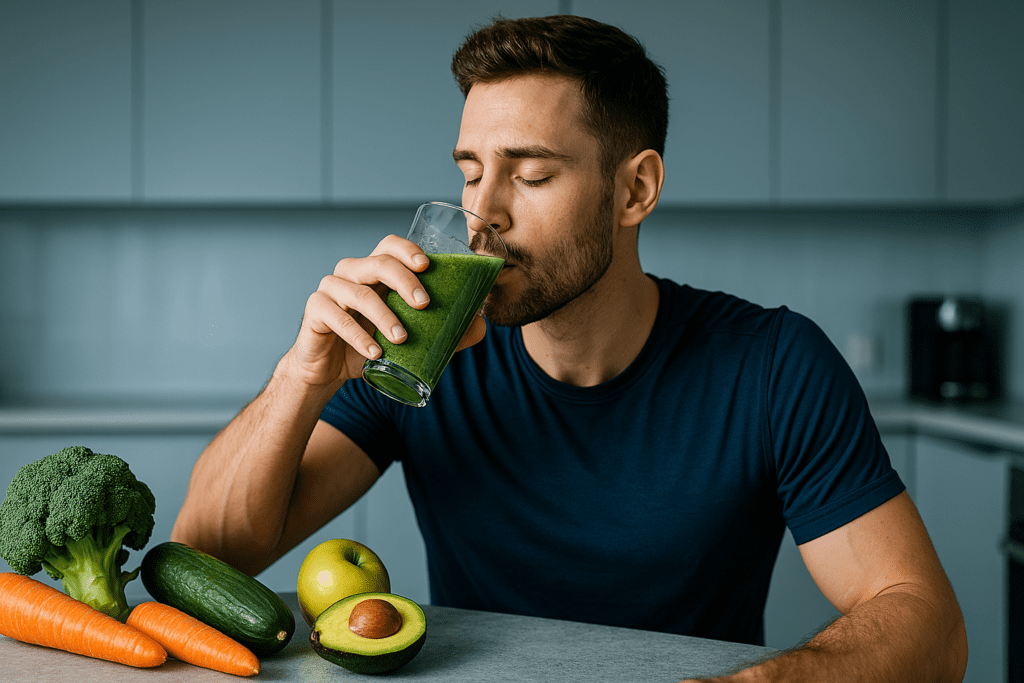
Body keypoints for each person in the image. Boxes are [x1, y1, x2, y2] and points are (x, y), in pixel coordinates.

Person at [172, 15, 967, 682]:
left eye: (533, 174)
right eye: (472, 171)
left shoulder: (772, 363)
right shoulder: (422, 355)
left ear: (635, 190)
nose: (482, 214)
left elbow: (927, 621)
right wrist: (303, 375)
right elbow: (203, 558)